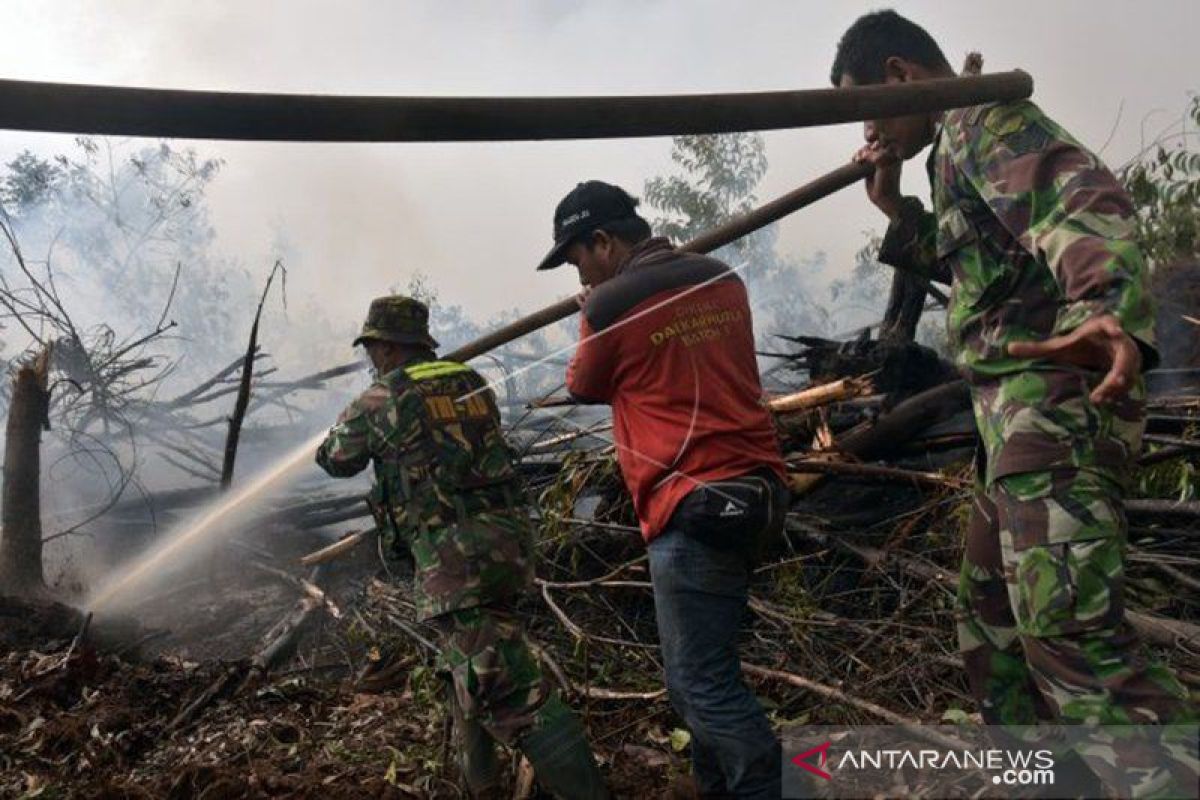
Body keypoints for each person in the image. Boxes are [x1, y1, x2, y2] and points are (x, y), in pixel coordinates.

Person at [830, 10, 1197, 796]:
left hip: (1053, 411)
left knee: (1069, 640)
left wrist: (1101, 302)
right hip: (1011, 429)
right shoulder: (948, 151)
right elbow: (983, 271)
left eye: (868, 108)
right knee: (991, 626)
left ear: (900, 75)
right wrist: (895, 210)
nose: (870, 129)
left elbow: (1080, 197)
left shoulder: (981, 118)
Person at [537, 181, 790, 799]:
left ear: (602, 241)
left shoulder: (608, 305)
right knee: (711, 671)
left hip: (692, 508)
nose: (578, 271)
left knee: (697, 684)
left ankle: (766, 783)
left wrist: (588, 309)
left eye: (576, 259)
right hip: (760, 491)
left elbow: (583, 386)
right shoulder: (722, 276)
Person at [316, 295, 608, 800]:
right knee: (467, 667)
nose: (371, 359)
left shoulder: (380, 398)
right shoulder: (470, 382)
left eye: (372, 350)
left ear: (385, 346)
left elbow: (335, 459)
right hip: (507, 546)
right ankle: (482, 785)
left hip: (454, 561)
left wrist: (356, 414)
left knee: (508, 689)